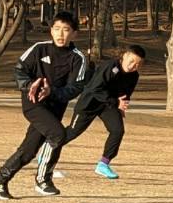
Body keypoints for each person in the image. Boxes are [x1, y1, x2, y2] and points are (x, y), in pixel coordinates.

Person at [0, 12, 87, 199]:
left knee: (29, 149)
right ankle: (43, 180)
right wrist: (29, 85)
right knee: (58, 134)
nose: (60, 34)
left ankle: (0, 179)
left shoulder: (78, 58)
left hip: (55, 109)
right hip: (33, 104)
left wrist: (52, 92)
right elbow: (20, 70)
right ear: (51, 30)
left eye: (66, 30)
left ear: (74, 33)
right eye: (57, 29)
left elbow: (75, 87)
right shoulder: (39, 49)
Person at [41, 44, 145, 180]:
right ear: (124, 56)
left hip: (107, 105)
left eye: (138, 64)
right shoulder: (110, 66)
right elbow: (95, 89)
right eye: (131, 61)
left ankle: (103, 164)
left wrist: (122, 106)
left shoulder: (134, 76)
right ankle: (47, 150)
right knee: (73, 132)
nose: (133, 66)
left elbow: (125, 93)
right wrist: (116, 102)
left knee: (117, 130)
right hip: (89, 104)